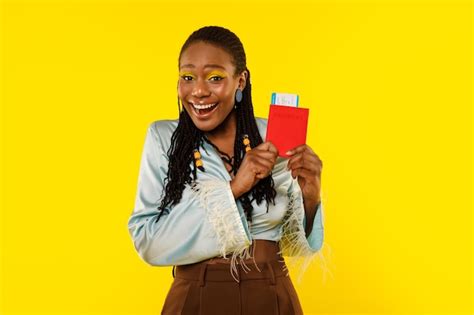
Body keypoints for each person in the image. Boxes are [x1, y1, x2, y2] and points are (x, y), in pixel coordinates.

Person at [127, 25, 325, 315]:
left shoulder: (271, 136)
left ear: (240, 80)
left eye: (215, 77)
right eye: (188, 77)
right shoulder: (164, 138)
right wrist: (233, 189)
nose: (198, 90)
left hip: (270, 294)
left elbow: (293, 245)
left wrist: (311, 198)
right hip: (196, 294)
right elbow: (148, 241)